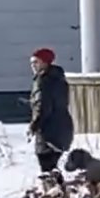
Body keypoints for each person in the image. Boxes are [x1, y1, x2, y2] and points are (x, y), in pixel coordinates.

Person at [28, 48, 74, 185]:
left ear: (45, 63)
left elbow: (43, 107)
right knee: (53, 167)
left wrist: (34, 126)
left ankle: (54, 193)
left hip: (49, 130)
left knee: (47, 167)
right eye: (32, 62)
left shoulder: (43, 81)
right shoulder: (59, 79)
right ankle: (60, 191)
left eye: (36, 62)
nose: (33, 65)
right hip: (63, 128)